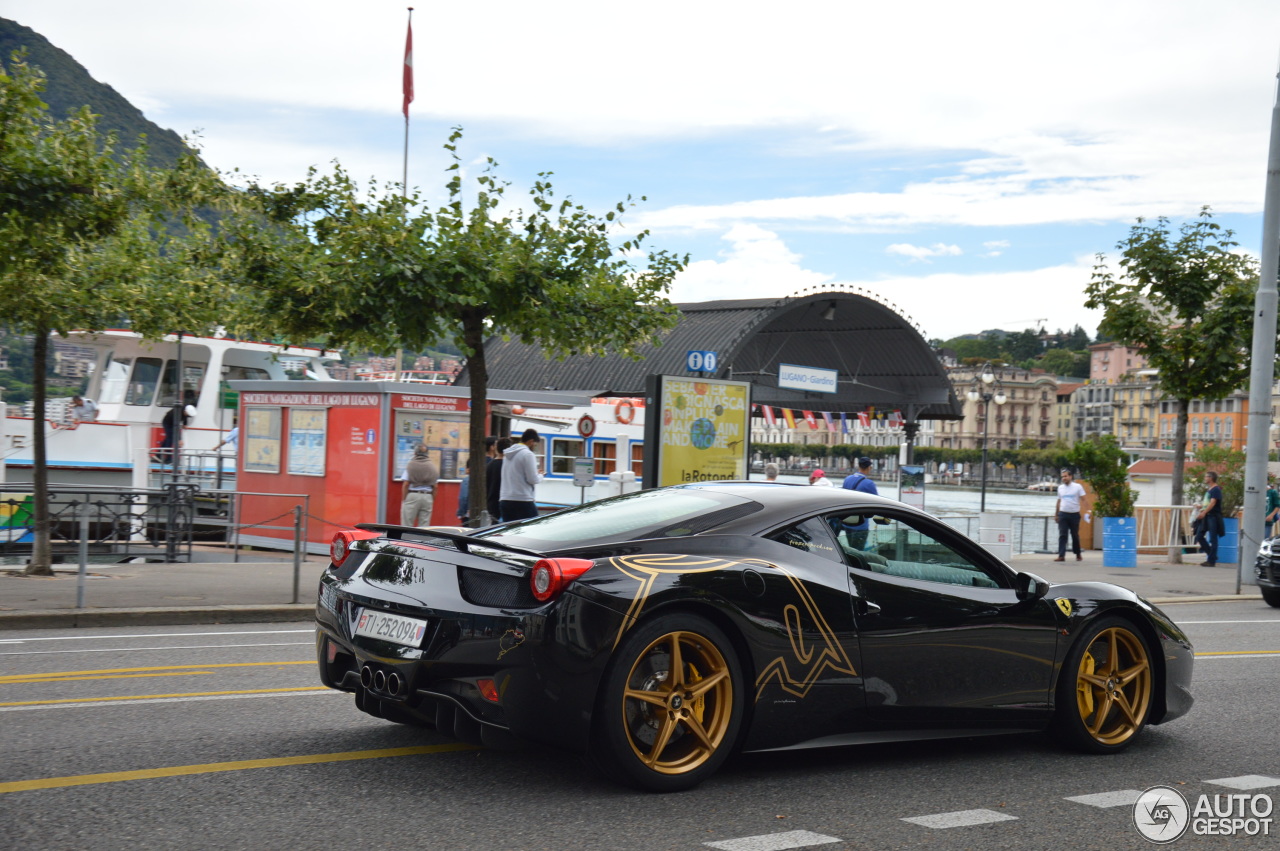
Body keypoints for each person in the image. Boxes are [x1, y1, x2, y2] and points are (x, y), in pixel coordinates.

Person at [500, 429, 543, 522]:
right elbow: (532, 479)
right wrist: (541, 475)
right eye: (535, 444)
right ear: (531, 441)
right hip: (523, 499)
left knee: (509, 532)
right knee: (534, 528)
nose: (535, 446)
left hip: (505, 499)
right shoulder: (528, 454)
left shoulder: (507, 455)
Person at [458, 437, 499, 525]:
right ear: (492, 447)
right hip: (490, 508)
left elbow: (465, 493)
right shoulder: (494, 465)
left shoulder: (476, 461)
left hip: (472, 508)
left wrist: (462, 511)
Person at [399, 443, 439, 527]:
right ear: (427, 454)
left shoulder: (411, 466)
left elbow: (406, 484)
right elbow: (435, 486)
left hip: (412, 495)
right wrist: (431, 499)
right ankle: (421, 540)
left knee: (407, 524)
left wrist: (404, 500)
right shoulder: (433, 467)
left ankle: (406, 540)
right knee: (424, 527)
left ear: (415, 453)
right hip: (427, 496)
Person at [841, 457, 878, 547]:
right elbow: (877, 503)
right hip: (860, 525)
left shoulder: (847, 479)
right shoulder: (869, 484)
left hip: (847, 522)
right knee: (858, 552)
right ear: (869, 467)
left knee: (851, 549)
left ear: (859, 466)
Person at [1054, 467, 1087, 562]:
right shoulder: (1060, 488)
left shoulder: (1077, 487)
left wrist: (1088, 511)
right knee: (1062, 535)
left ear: (1070, 476)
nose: (1064, 478)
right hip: (1063, 514)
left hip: (1074, 514)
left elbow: (1084, 499)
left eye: (1065, 476)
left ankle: (1078, 553)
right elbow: (1059, 501)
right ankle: (1061, 555)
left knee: (1075, 535)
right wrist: (1056, 514)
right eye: (1062, 477)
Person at [1192, 470, 1224, 567]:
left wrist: (1204, 512)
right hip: (1207, 516)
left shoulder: (1216, 490)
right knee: (1199, 536)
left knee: (1213, 538)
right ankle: (1212, 555)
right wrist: (1201, 507)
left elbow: (1213, 502)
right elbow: (1207, 503)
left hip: (1213, 516)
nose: (1205, 478)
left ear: (1211, 478)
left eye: (1206, 477)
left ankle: (1211, 560)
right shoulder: (1209, 490)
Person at [487, 437, 511, 522]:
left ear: (497, 449)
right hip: (506, 503)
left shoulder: (489, 465)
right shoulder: (509, 466)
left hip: (491, 504)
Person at [1266, 475, 1280, 540]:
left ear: (1267, 481)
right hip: (1255, 521)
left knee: (1265, 540)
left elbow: (1277, 505)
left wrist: (1271, 515)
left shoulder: (1272, 492)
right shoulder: (1256, 492)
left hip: (1267, 521)